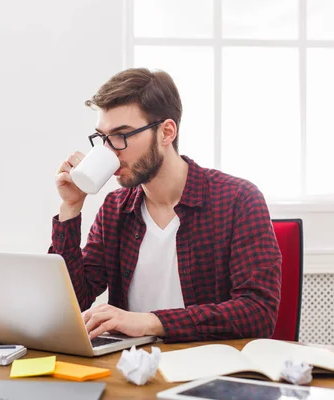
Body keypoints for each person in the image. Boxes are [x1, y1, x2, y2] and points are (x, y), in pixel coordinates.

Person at [49, 68, 282, 343]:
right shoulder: (115, 208)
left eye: (121, 135)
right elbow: (72, 301)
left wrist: (153, 322)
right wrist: (71, 208)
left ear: (166, 132)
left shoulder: (238, 200)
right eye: (103, 138)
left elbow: (258, 313)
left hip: (206, 369)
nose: (109, 150)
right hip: (131, 370)